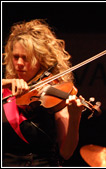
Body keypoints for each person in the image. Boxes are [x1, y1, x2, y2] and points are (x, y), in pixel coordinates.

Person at [2, 19, 85, 166]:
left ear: (40, 59)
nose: (19, 63)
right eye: (15, 57)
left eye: (26, 58)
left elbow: (66, 153)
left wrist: (75, 117)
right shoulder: (5, 91)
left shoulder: (53, 93)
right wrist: (6, 82)